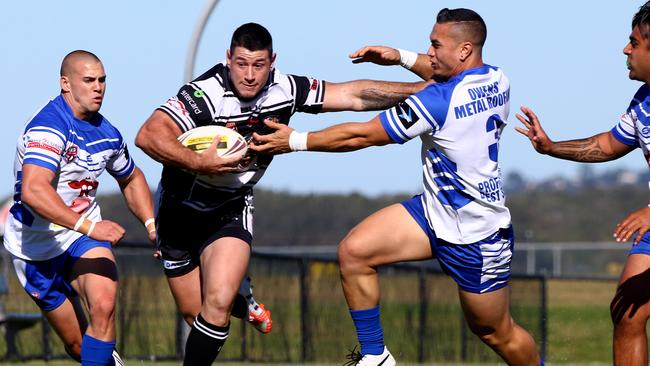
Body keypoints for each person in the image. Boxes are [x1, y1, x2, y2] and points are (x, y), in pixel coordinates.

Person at [251, 8, 543, 366]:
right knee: (355, 252)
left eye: (436, 45)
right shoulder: (497, 79)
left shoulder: (437, 101)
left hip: (477, 235)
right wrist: (400, 58)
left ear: (465, 49)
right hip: (435, 212)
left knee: (496, 333)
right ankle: (376, 356)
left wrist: (295, 140)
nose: (429, 53)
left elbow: (362, 135)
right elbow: (445, 72)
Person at [135, 22, 427, 366]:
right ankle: (243, 301)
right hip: (178, 211)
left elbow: (354, 95)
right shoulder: (204, 94)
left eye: (258, 65)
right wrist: (200, 162)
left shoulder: (286, 89)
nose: (248, 75)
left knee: (215, 310)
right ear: (228, 58)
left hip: (229, 208)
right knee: (193, 313)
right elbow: (148, 135)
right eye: (241, 63)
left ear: (272, 61)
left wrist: (424, 90)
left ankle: (231, 297)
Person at [516, 2, 650, 365]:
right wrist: (550, 147)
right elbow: (607, 144)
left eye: (634, 42)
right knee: (626, 313)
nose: (626, 50)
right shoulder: (644, 102)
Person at [3, 50, 156, 365]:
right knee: (77, 346)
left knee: (103, 304)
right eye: (89, 80)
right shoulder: (49, 128)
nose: (98, 87)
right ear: (65, 83)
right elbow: (34, 190)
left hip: (81, 238)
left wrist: (152, 224)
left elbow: (132, 177)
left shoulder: (108, 133)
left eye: (102, 80)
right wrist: (90, 226)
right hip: (32, 247)